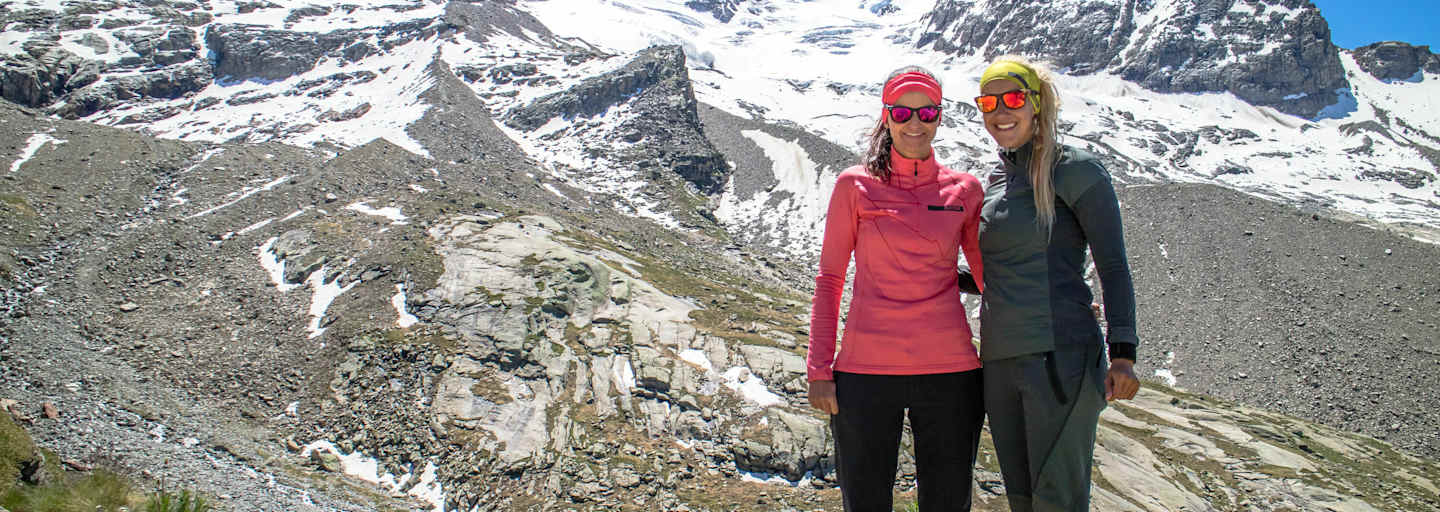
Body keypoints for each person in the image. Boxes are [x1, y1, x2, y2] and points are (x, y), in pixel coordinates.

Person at [963, 56, 1142, 511]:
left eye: (1013, 99)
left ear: (1036, 104)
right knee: (1022, 499)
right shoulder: (998, 180)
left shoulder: (1075, 169)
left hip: (1060, 357)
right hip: (1000, 363)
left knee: (1057, 500)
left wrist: (1123, 354)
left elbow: (1113, 266)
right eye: (989, 101)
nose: (1000, 111)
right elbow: (999, 272)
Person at [806, 66, 987, 511]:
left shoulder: (965, 189)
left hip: (951, 373)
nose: (914, 122)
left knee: (948, 504)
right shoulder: (855, 185)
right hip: (865, 373)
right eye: (902, 111)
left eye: (926, 111)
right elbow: (830, 279)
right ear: (886, 116)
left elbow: (991, 281)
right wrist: (819, 369)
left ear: (939, 117)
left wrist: (1061, 305)